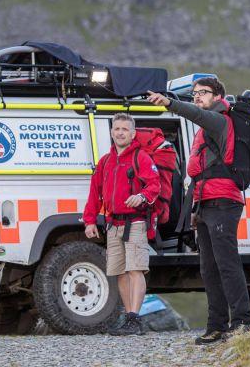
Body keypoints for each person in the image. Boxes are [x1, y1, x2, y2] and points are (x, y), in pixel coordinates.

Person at [147, 78, 250, 344]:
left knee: (226, 264)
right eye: (194, 94)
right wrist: (195, 208)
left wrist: (170, 102)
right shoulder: (205, 128)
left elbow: (195, 113)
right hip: (205, 202)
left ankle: (242, 322)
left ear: (218, 96)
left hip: (223, 201)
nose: (197, 97)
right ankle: (217, 326)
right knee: (209, 268)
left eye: (202, 93)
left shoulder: (219, 120)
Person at [83, 112, 161, 336]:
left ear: (133, 133)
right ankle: (129, 318)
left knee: (135, 269)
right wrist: (89, 221)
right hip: (112, 224)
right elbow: (94, 194)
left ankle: (135, 319)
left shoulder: (141, 158)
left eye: (125, 129)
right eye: (117, 129)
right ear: (111, 132)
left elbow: (154, 186)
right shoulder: (105, 161)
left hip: (135, 222)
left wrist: (142, 197)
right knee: (120, 272)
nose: (120, 133)